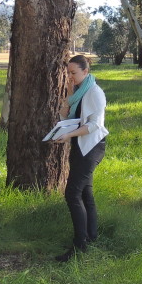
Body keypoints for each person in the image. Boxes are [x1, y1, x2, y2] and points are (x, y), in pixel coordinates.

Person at [51, 54, 109, 262]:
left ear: (86, 71)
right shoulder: (77, 92)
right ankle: (91, 236)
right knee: (86, 193)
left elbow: (95, 125)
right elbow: (66, 117)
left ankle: (79, 245)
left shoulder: (94, 93)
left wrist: (68, 135)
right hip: (80, 145)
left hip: (91, 147)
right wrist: (68, 93)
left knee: (72, 193)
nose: (70, 76)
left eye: (73, 73)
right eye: (68, 73)